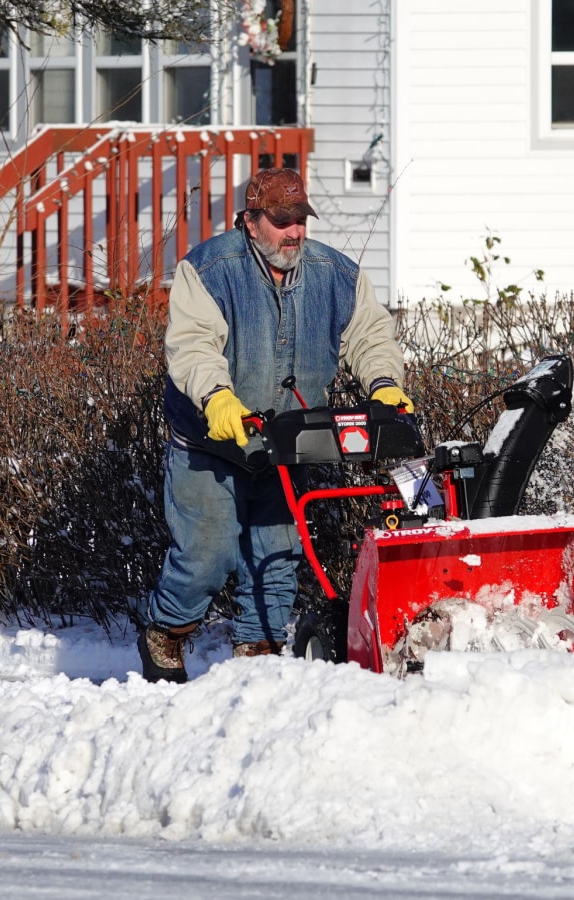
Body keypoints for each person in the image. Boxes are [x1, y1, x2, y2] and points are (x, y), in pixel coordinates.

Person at [133, 167, 413, 684]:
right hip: (211, 441)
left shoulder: (337, 276)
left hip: (289, 444)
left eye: (300, 220)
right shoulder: (210, 270)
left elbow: (371, 336)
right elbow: (193, 345)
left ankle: (256, 665)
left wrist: (383, 382)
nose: (294, 232)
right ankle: (165, 632)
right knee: (206, 554)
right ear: (251, 220)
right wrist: (217, 397)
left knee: (277, 558)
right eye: (282, 221)